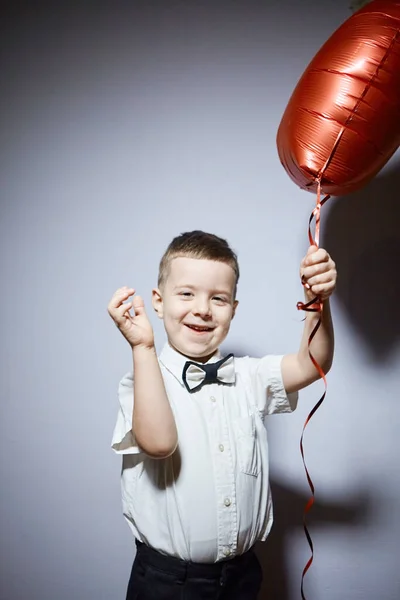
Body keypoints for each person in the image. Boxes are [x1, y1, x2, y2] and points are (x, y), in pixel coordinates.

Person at [107, 230, 336, 600]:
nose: (202, 308)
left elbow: (313, 362)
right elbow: (160, 443)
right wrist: (143, 346)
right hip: (169, 584)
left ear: (234, 309)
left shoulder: (247, 376)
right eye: (186, 294)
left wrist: (316, 301)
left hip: (242, 576)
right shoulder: (141, 381)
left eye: (219, 298)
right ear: (158, 302)